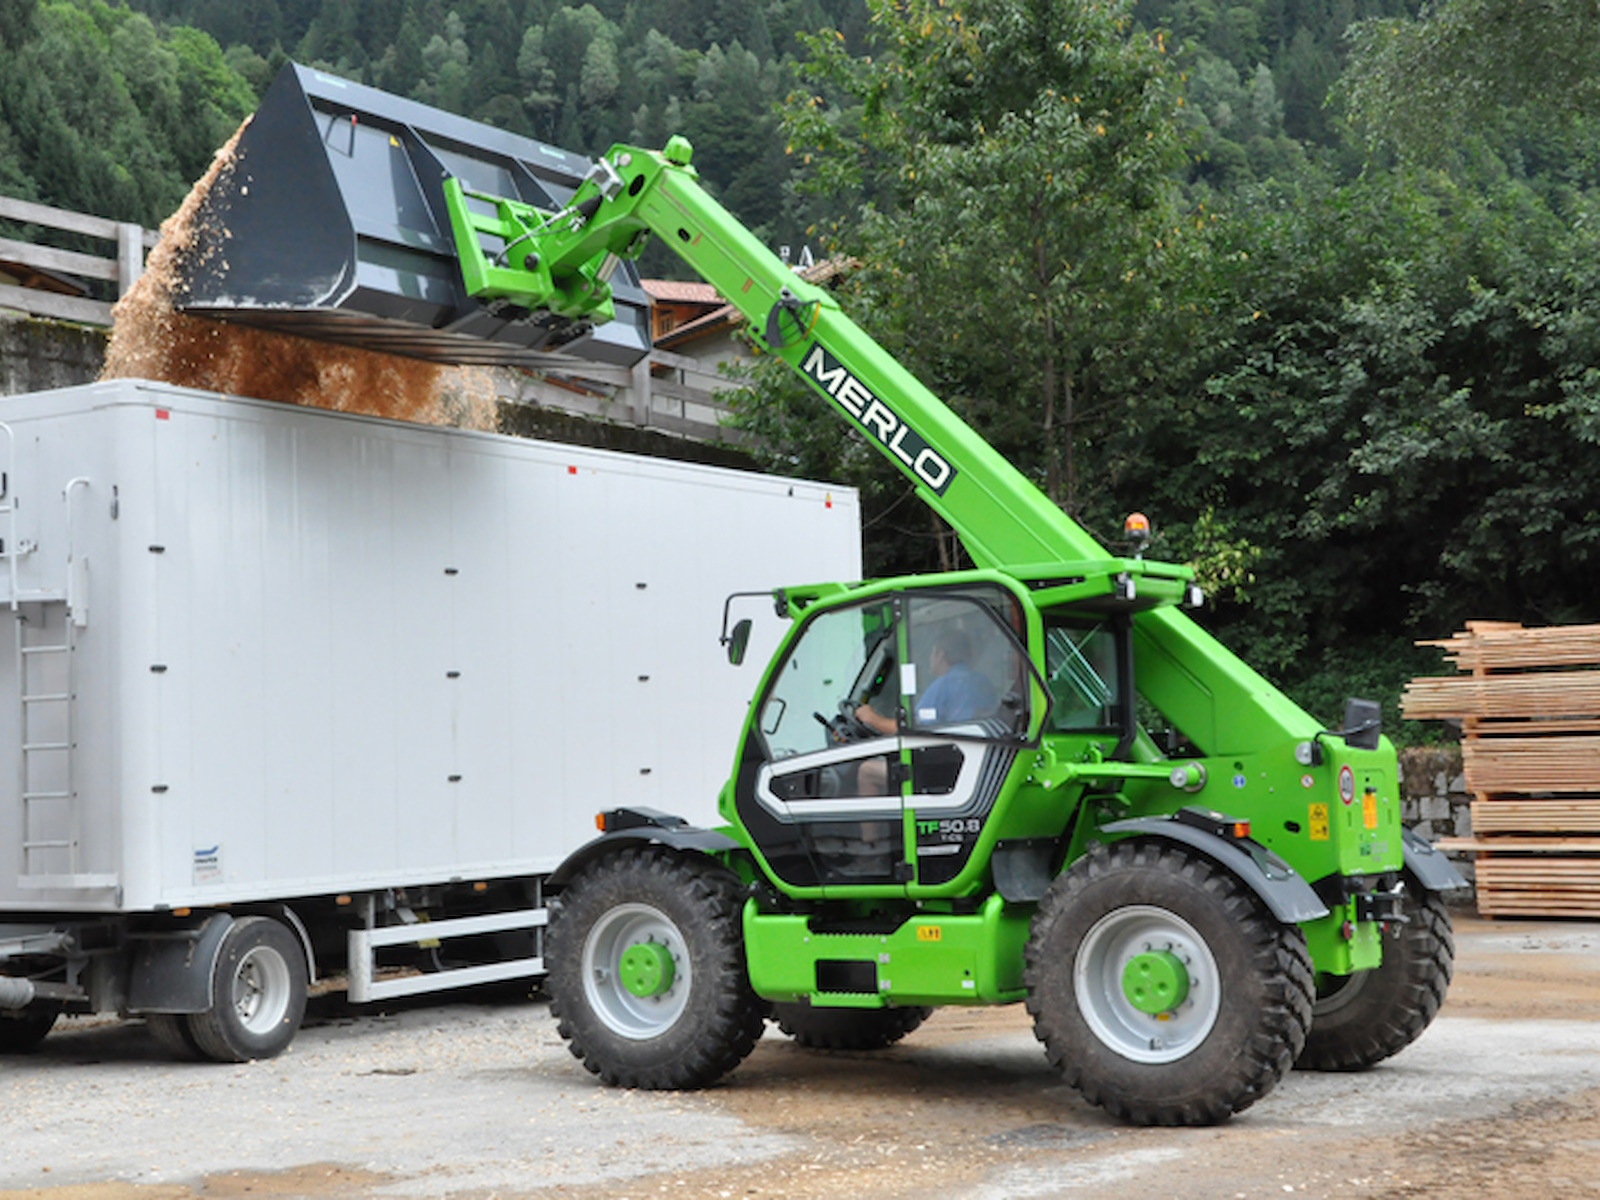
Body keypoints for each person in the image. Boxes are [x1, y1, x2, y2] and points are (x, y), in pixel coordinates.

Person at [853, 628, 996, 794]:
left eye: (932, 653)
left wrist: (872, 718)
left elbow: (910, 728)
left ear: (940, 655)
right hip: (971, 764)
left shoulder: (944, 685)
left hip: (941, 768)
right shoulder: (982, 682)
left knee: (867, 771)